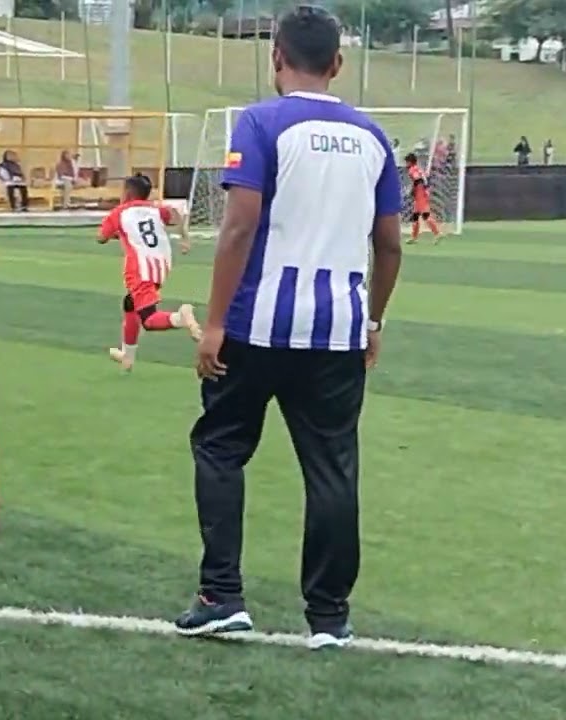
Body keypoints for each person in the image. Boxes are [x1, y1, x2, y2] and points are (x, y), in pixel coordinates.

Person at [178, 5, 403, 650]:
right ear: (338, 64)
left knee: (221, 448)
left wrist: (214, 322)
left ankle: (221, 594)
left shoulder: (259, 121)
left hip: (256, 325)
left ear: (275, 57)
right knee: (332, 468)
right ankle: (328, 616)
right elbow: (388, 245)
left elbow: (240, 226)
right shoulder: (373, 137)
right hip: (338, 330)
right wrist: (375, 319)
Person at [97, 173, 200, 372]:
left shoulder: (119, 213)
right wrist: (185, 238)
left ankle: (181, 317)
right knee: (130, 304)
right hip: (161, 263)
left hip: (140, 269)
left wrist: (117, 233)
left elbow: (100, 237)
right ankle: (128, 357)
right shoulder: (154, 209)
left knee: (149, 320)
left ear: (127, 192)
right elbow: (176, 213)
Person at [404, 153, 442, 244]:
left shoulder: (413, 170)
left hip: (420, 194)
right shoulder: (419, 169)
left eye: (406, 162)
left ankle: (437, 234)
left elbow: (418, 180)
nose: (406, 164)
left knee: (425, 215)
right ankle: (414, 237)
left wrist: (412, 190)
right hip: (421, 194)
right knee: (415, 216)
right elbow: (425, 180)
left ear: (410, 162)